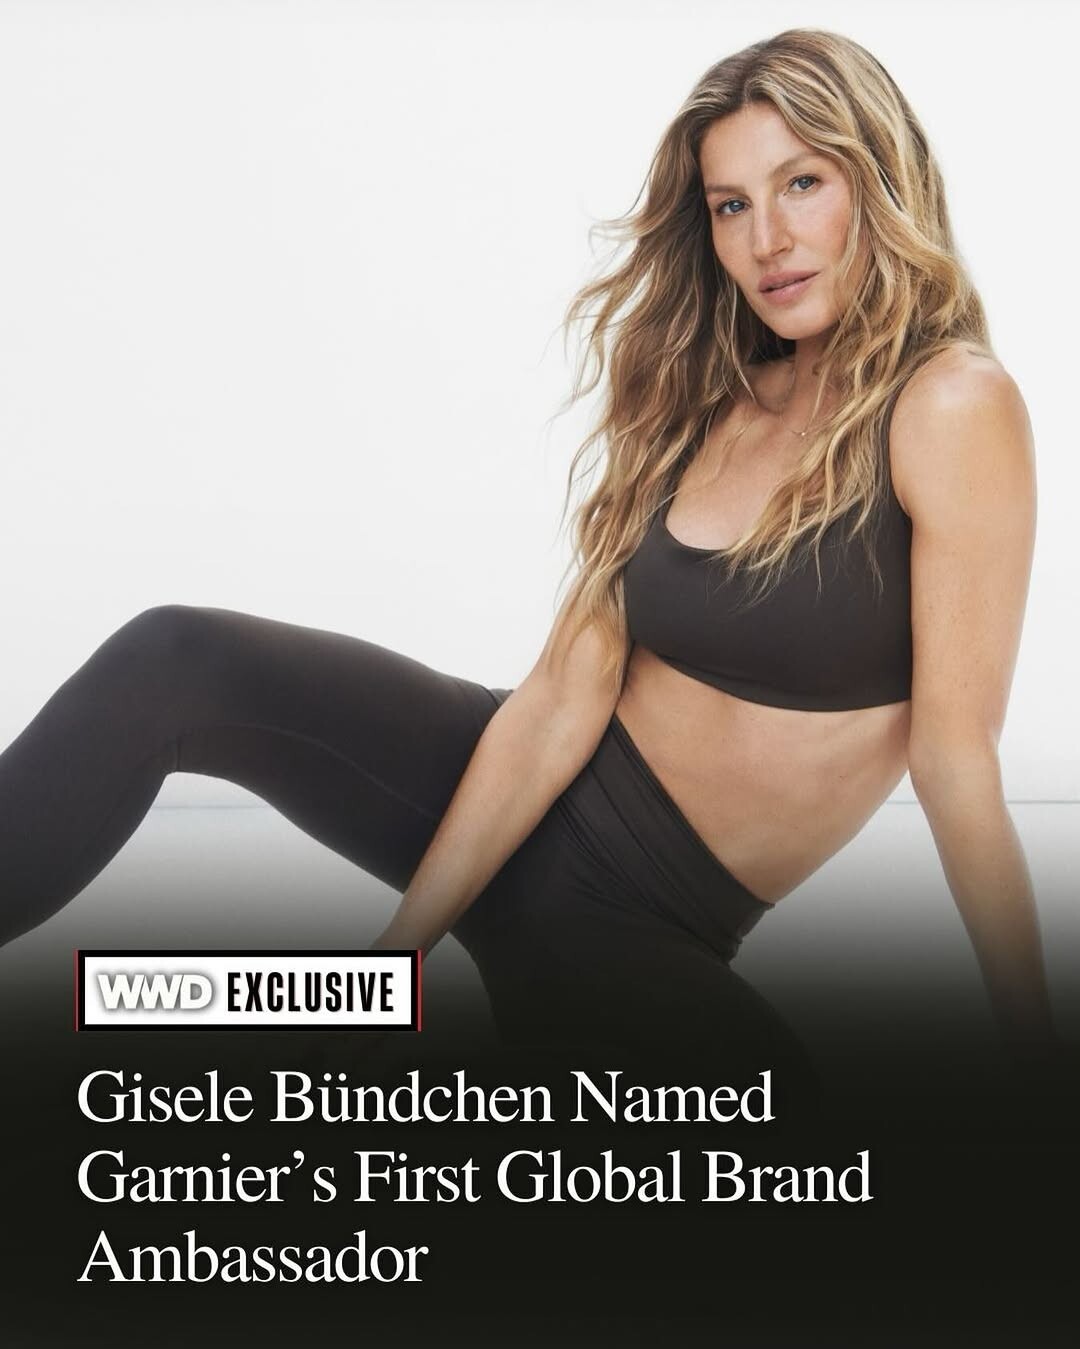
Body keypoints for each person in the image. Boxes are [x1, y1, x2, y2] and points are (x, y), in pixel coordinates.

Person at [0, 28, 1054, 1075]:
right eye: (731, 205)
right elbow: (559, 699)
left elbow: (954, 760)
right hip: (494, 786)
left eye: (802, 183)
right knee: (178, 657)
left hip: (636, 937)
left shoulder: (952, 406)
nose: (767, 238)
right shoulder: (712, 395)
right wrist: (387, 968)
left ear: (882, 179)